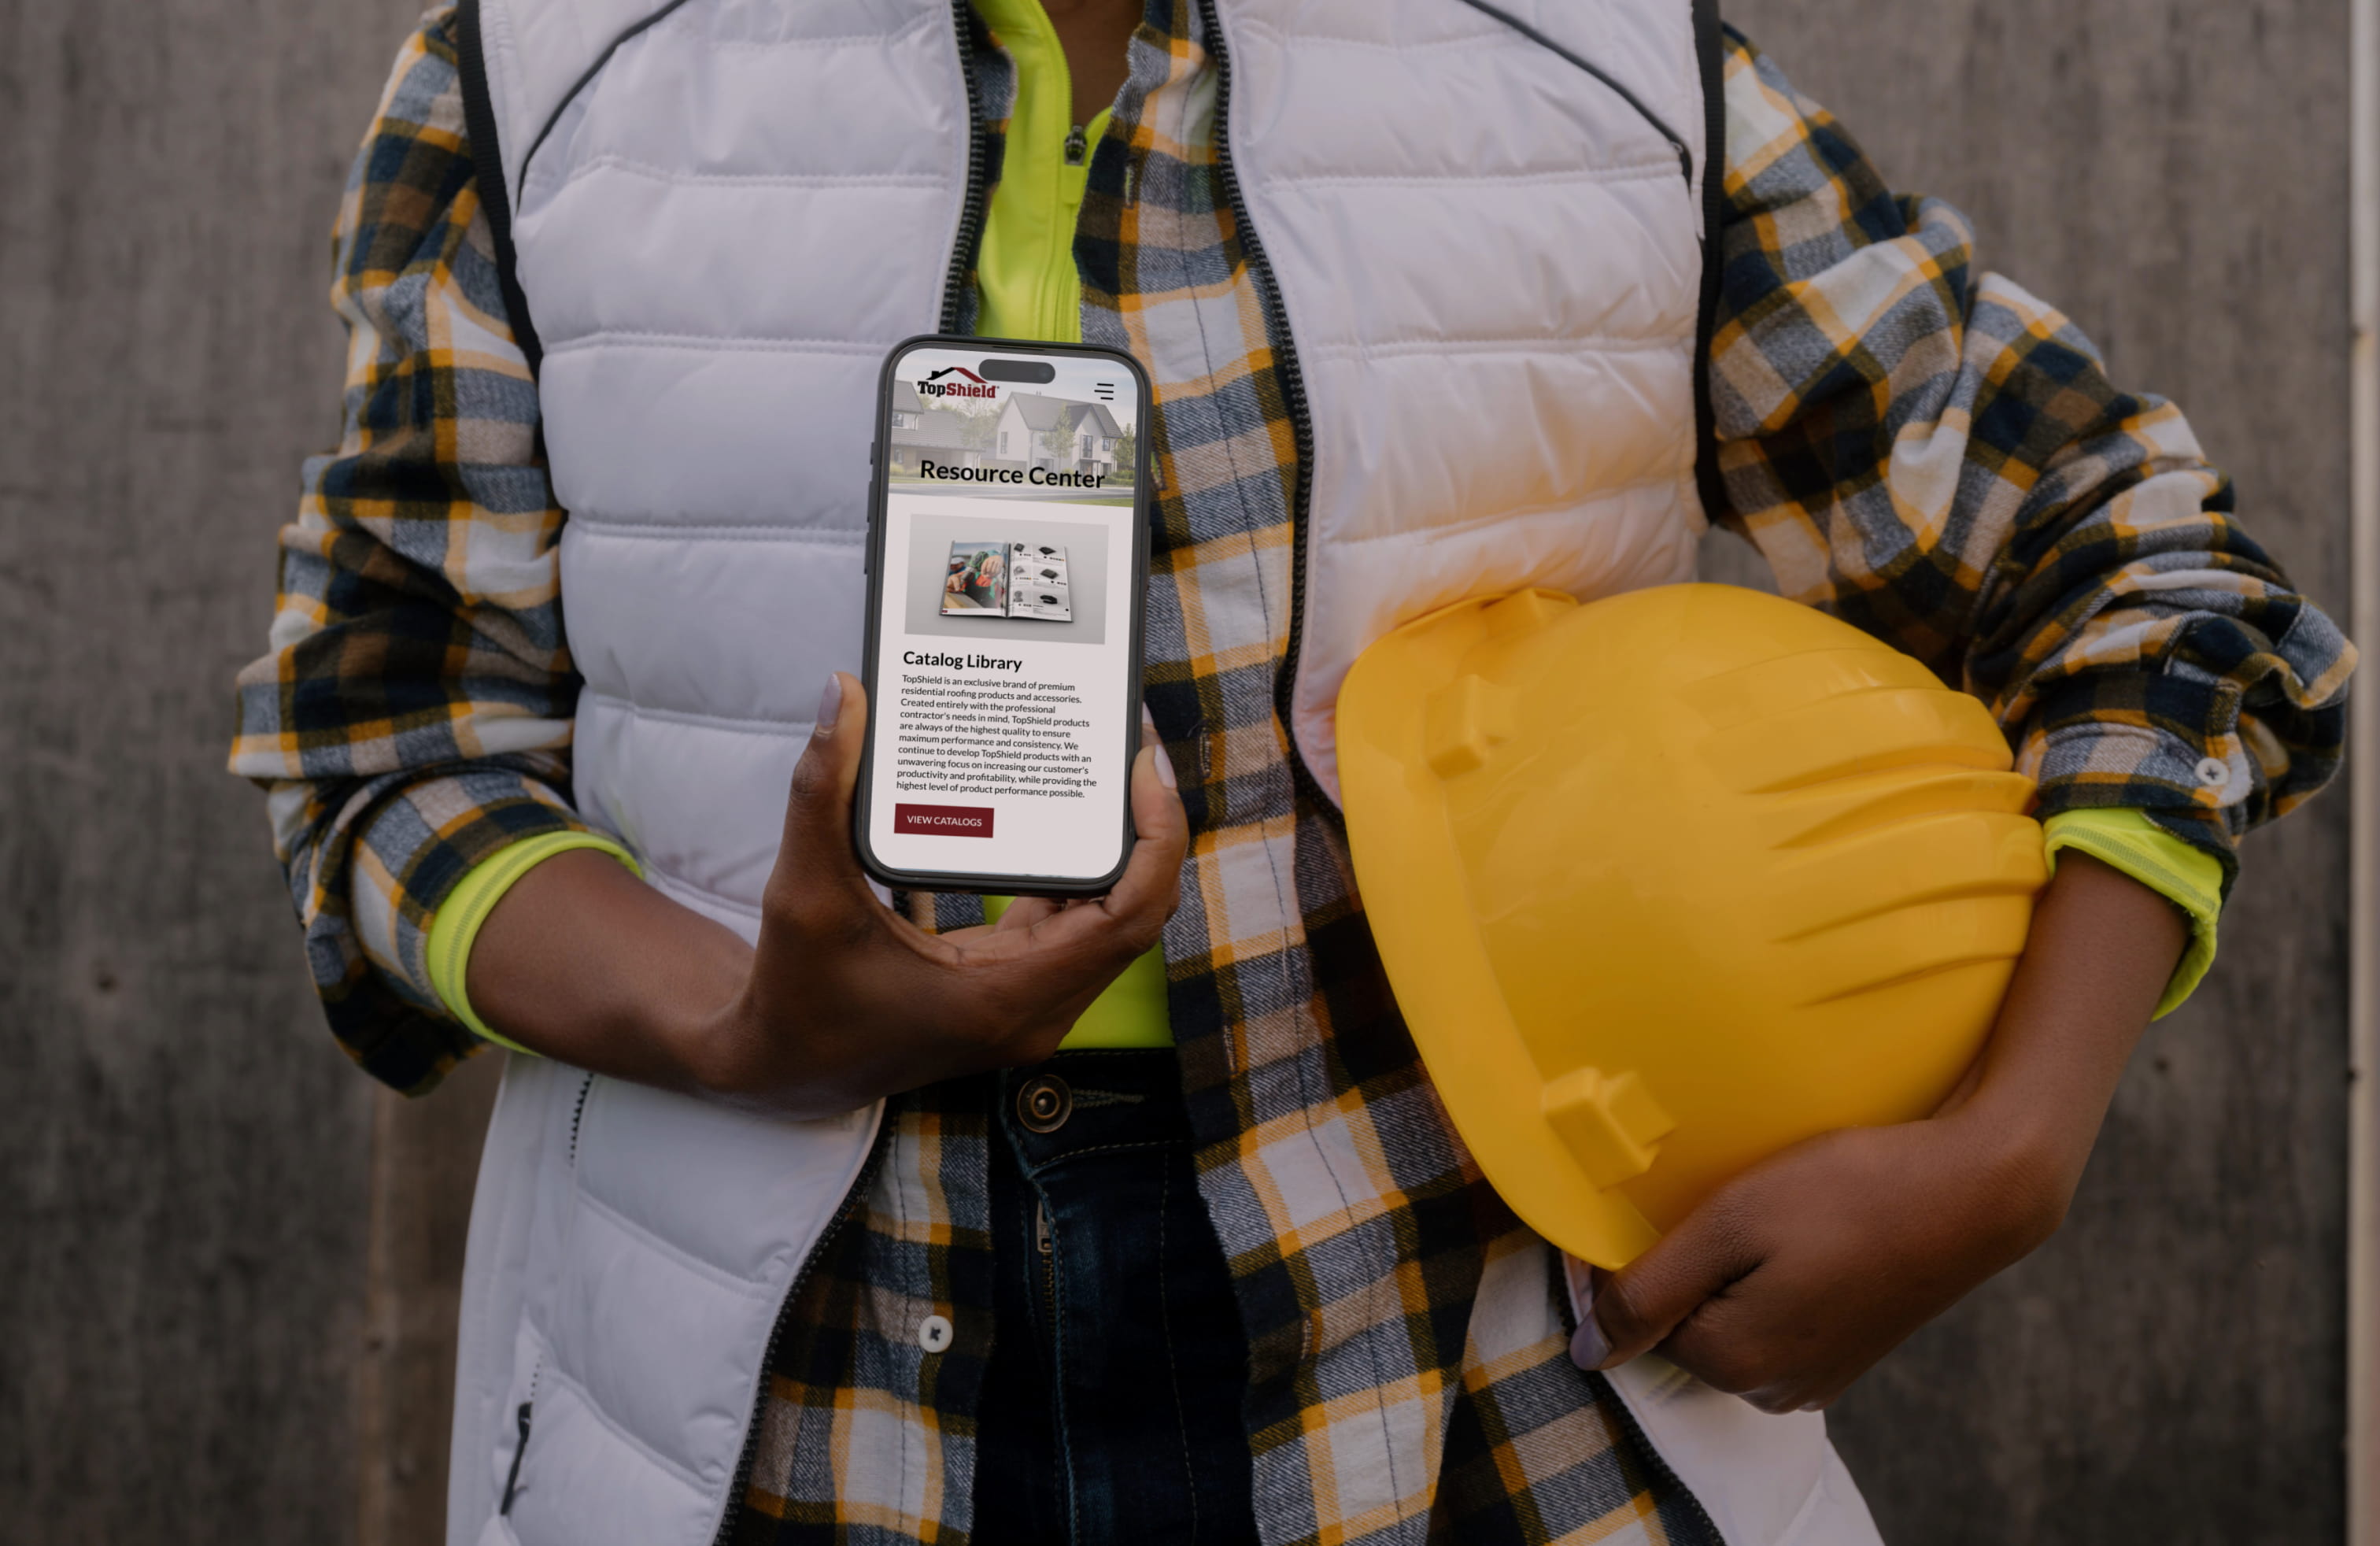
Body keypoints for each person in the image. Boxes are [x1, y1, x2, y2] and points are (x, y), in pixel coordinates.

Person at [230, 1, 2351, 1541]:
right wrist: (735, 1009)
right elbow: (385, 744)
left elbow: (2146, 566)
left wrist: (2014, 1138)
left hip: (1473, 1396)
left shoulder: (1596, 64)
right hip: (781, 1419)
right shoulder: (542, 70)